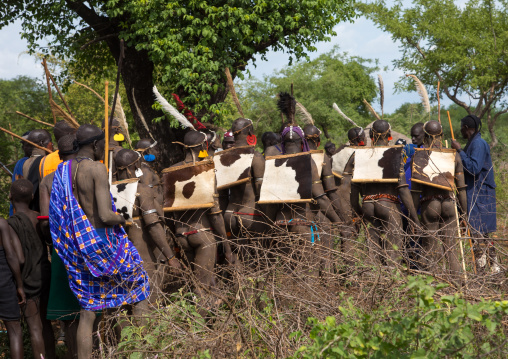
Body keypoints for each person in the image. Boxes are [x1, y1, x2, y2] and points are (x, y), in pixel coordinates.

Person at [49, 124, 149, 359]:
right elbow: (105, 214)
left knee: (89, 309)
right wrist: (124, 219)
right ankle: (143, 350)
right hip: (102, 242)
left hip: (77, 246)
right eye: (103, 144)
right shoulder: (96, 169)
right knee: (139, 286)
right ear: (95, 145)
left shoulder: (64, 170)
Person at [348, 120, 420, 265]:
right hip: (388, 205)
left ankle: (374, 283)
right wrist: (414, 218)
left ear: (371, 136)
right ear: (389, 136)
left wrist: (358, 212)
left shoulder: (360, 155)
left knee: (372, 254)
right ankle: (391, 284)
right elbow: (403, 189)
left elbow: (354, 191)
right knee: (393, 254)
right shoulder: (395, 153)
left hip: (368, 205)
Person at [170, 131, 232, 299]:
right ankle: (197, 324)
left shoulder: (171, 171)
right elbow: (215, 214)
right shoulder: (207, 171)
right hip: (201, 233)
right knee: (201, 289)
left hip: (181, 236)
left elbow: (167, 210)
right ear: (204, 147)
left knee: (194, 285)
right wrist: (226, 248)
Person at [115, 148, 182, 298]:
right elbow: (153, 226)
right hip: (141, 252)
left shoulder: (109, 189)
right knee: (148, 298)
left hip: (118, 253)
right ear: (136, 165)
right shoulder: (140, 189)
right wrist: (170, 257)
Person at [39, 135, 81, 358]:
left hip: (61, 247)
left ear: (57, 152)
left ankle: (75, 354)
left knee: (69, 310)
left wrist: (52, 242)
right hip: (88, 244)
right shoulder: (87, 171)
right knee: (92, 308)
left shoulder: (47, 180)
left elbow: (45, 221)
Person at [412, 121, 467, 279]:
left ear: (425, 135)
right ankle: (458, 283)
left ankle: (433, 283)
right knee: (451, 248)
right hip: (450, 203)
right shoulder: (453, 155)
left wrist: (414, 218)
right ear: (441, 135)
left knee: (430, 248)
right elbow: (461, 189)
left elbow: (415, 192)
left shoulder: (419, 155)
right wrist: (464, 214)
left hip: (430, 204)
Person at [8, 179, 54, 359]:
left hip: (27, 279)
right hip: (45, 274)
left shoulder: (10, 224)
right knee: (46, 324)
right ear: (32, 196)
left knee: (34, 327)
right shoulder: (39, 217)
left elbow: (17, 259)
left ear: (10, 196)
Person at [451, 114, 498, 274]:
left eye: (461, 127)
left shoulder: (478, 144)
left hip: (481, 195)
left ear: (466, 128)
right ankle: (494, 271)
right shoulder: (474, 143)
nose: (460, 131)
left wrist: (458, 150)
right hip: (478, 194)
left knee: (479, 233)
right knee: (483, 234)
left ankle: (485, 272)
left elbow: (473, 168)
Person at [0, 216, 26, 359]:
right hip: (3, 282)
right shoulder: (1, 223)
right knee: (14, 330)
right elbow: (11, 255)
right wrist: (20, 285)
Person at [22, 129, 54, 211]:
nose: (52, 144)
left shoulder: (26, 162)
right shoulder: (45, 161)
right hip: (42, 210)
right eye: (50, 141)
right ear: (42, 143)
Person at [10, 131, 31, 215]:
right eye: (26, 145)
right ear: (23, 147)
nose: (29, 148)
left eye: (31, 145)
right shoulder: (21, 163)